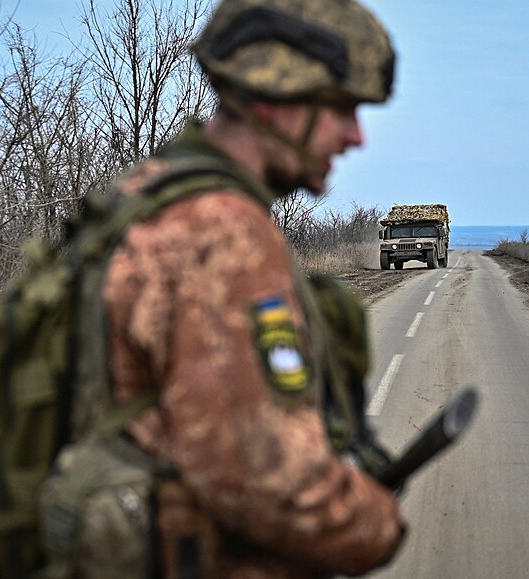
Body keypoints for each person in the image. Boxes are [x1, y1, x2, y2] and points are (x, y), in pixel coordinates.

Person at [100, 0, 405, 576]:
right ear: (273, 101)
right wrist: (374, 521)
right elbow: (270, 483)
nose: (356, 136)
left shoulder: (148, 194)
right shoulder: (224, 236)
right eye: (341, 108)